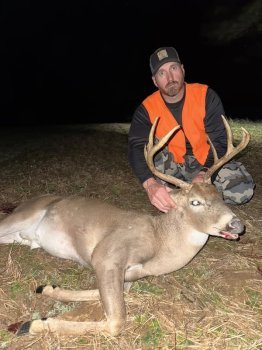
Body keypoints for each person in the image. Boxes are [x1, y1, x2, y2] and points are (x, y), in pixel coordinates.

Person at [128, 46, 255, 213]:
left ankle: (191, 196)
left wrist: (204, 173)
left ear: (182, 69)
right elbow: (136, 147)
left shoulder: (206, 96)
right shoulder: (146, 109)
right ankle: (169, 191)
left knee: (241, 191)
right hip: (170, 168)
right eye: (162, 73)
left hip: (206, 163)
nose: (170, 77)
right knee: (149, 147)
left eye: (173, 68)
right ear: (154, 81)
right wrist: (150, 184)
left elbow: (219, 140)